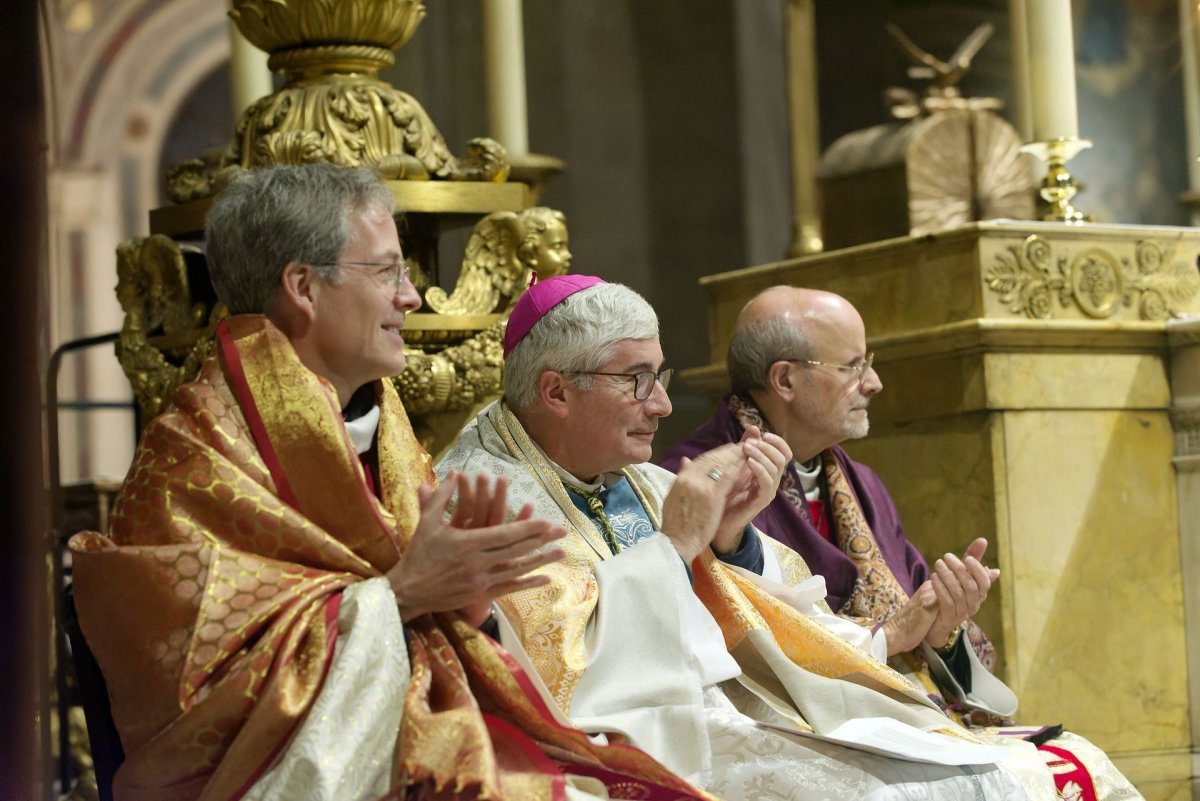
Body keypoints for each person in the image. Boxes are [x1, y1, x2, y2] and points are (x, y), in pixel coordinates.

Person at [66, 165, 709, 801]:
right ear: (303, 288)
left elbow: (436, 631)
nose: (412, 297)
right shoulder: (194, 456)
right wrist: (401, 596)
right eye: (387, 271)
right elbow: (191, 693)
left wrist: (469, 607)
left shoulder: (385, 428)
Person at [437, 273, 1083, 801]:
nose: (662, 404)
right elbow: (561, 676)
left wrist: (730, 539)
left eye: (661, 378)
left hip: (734, 716)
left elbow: (780, 600)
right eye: (638, 380)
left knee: (1013, 774)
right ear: (556, 392)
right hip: (640, 747)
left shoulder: (648, 479)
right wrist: (672, 549)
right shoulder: (484, 497)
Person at [661, 285, 1142, 800]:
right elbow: (740, 655)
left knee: (1081, 762)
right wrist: (894, 633)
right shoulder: (690, 488)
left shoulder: (860, 484)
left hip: (899, 726)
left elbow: (915, 618)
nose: (874, 382)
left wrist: (942, 627)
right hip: (805, 738)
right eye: (851, 366)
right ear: (785, 380)